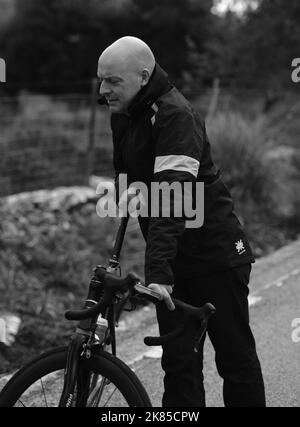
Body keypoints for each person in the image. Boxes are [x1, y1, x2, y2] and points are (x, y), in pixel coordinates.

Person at [97, 36, 266, 407]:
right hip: (173, 255)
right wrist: (126, 193)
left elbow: (175, 198)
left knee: (235, 362)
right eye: (101, 79)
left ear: (143, 76)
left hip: (216, 254)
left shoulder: (175, 115)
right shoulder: (123, 114)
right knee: (179, 368)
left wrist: (157, 273)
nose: (103, 89)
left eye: (112, 81)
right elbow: (130, 178)